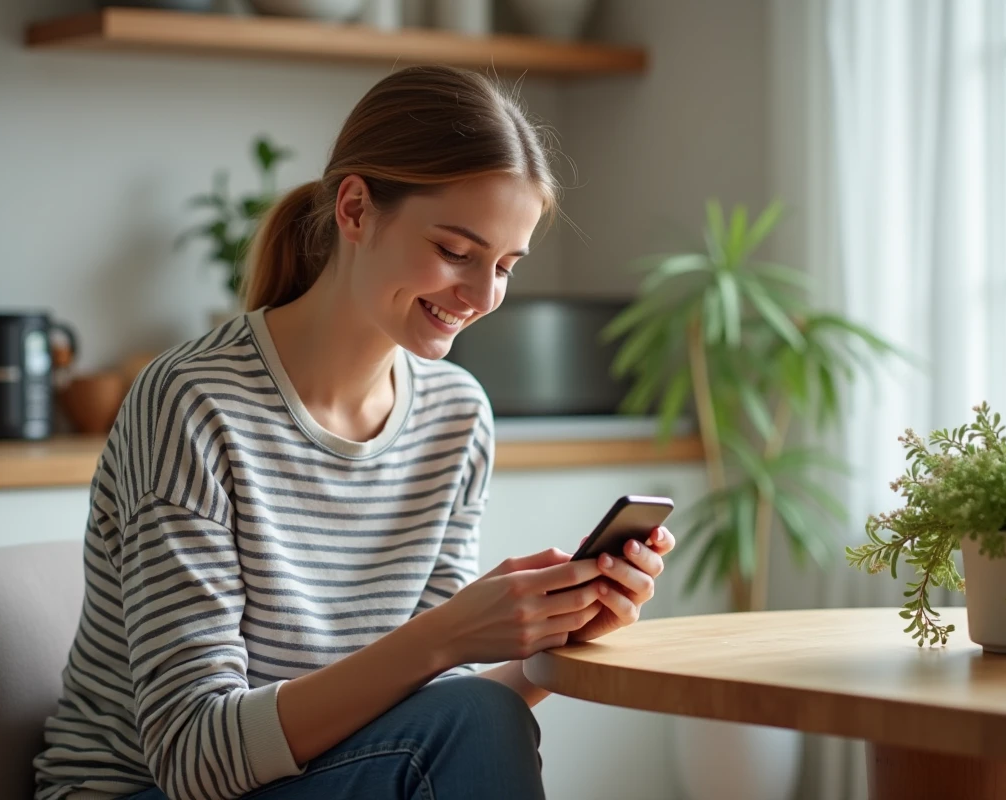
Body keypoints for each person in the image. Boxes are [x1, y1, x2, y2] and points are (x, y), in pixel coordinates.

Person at [33, 64, 674, 800]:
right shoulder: (193, 403)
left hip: (311, 780)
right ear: (357, 209)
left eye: (504, 265)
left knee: (480, 710)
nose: (481, 294)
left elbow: (431, 718)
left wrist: (551, 644)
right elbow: (192, 756)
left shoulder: (455, 418)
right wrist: (448, 636)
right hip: (142, 791)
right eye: (456, 251)